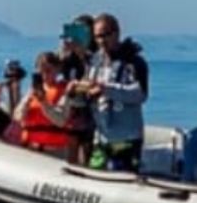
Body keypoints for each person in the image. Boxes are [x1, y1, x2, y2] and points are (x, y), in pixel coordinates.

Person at [71, 13, 149, 171]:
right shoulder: (94, 61)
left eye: (105, 35)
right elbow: (88, 90)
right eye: (97, 37)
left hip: (126, 137)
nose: (102, 41)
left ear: (117, 33)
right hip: (101, 137)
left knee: (121, 177)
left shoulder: (134, 62)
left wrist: (107, 89)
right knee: (94, 175)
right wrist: (76, 91)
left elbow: (140, 94)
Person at [14, 51, 76, 159]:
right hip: (30, 148)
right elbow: (18, 117)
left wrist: (43, 102)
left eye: (48, 70)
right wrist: (27, 101)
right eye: (41, 71)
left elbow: (60, 121)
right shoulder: (32, 91)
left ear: (57, 69)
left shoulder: (65, 90)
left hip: (54, 151)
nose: (45, 75)